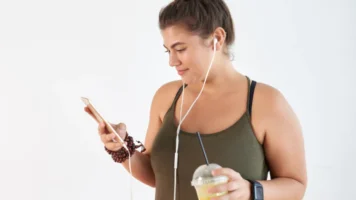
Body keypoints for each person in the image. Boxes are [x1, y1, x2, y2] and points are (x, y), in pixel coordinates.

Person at [84, 0, 307, 199]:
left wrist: (251, 190)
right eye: (167, 51)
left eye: (180, 49)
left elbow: (296, 186)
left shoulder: (266, 102)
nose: (172, 61)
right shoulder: (167, 97)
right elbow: (157, 176)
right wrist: (122, 148)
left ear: (217, 39)